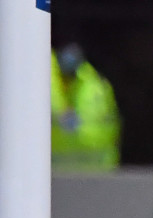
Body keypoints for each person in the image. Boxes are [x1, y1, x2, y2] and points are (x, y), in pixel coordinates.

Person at [51, 43, 121, 171]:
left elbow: (111, 125)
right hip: (54, 175)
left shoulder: (96, 86)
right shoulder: (39, 81)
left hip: (96, 171)